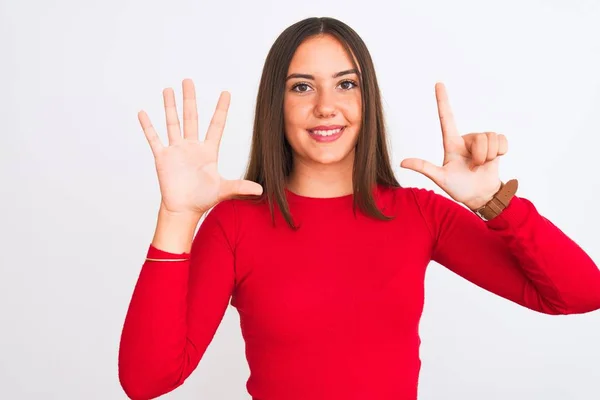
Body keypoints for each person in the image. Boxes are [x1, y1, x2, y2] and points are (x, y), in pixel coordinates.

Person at [118, 16, 600, 400]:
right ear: (276, 105)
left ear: (367, 98)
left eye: (345, 84)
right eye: (302, 87)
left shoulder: (419, 215)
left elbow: (578, 294)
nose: (327, 105)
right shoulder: (236, 223)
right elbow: (147, 381)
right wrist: (177, 218)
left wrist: (493, 204)